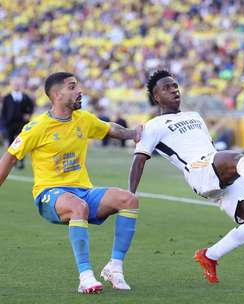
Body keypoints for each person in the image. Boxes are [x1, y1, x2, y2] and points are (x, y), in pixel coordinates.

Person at [128, 70, 244, 284]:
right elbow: (139, 159)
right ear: (156, 97)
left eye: (175, 85)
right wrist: (130, 194)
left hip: (215, 168)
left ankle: (209, 256)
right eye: (166, 88)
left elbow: (208, 147)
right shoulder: (152, 126)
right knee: (235, 158)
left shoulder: (194, 116)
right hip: (197, 171)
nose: (174, 90)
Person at [0, 72, 142, 294]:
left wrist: (135, 133)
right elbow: (9, 157)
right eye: (73, 86)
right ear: (57, 94)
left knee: (129, 200)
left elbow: (110, 128)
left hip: (82, 191)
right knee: (78, 206)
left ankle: (114, 267)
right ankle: (85, 277)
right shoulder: (36, 127)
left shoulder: (83, 119)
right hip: (49, 194)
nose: (80, 91)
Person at [1, 77, 35, 169]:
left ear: (20, 86)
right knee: (11, 143)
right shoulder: (7, 97)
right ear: (12, 85)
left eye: (17, 84)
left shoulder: (25, 96)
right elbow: (4, 111)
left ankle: (21, 161)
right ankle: (12, 162)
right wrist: (4, 123)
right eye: (14, 84)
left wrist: (29, 114)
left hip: (22, 123)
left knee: (21, 142)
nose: (16, 86)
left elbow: (31, 106)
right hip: (10, 124)